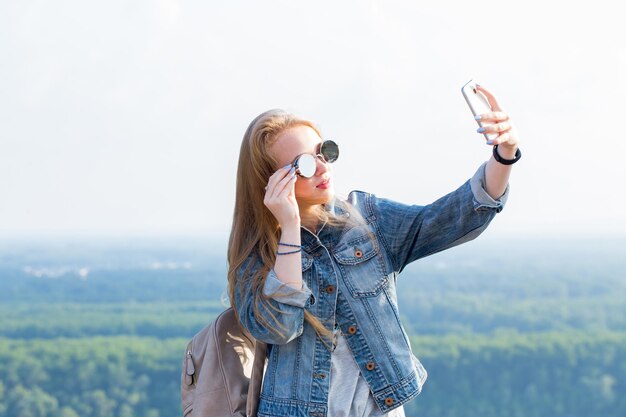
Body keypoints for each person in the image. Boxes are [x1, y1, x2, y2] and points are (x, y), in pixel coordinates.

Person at [227, 85, 520, 417]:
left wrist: (504, 153)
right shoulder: (257, 254)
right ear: (270, 181)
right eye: (305, 164)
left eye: (325, 152)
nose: (323, 167)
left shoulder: (369, 222)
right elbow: (280, 327)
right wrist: (290, 227)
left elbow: (455, 217)